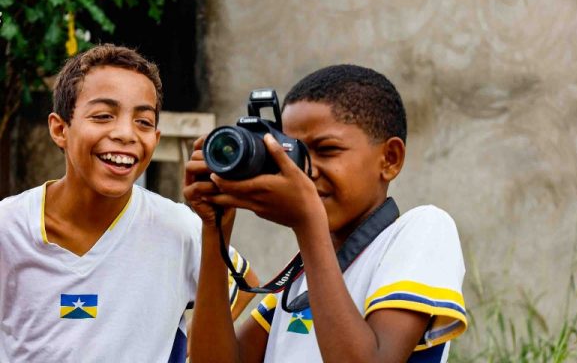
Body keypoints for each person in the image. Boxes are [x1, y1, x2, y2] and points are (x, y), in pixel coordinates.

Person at [185, 64, 468, 363]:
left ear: (390, 158)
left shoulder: (424, 228)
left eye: (327, 150)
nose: (306, 170)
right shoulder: (301, 277)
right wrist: (215, 228)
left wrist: (308, 223)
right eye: (294, 153)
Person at [0, 44, 257, 362]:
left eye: (144, 122)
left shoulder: (178, 226)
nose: (126, 134)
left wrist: (190, 345)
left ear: (155, 138)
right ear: (59, 129)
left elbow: (243, 283)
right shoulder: (9, 226)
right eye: (103, 116)